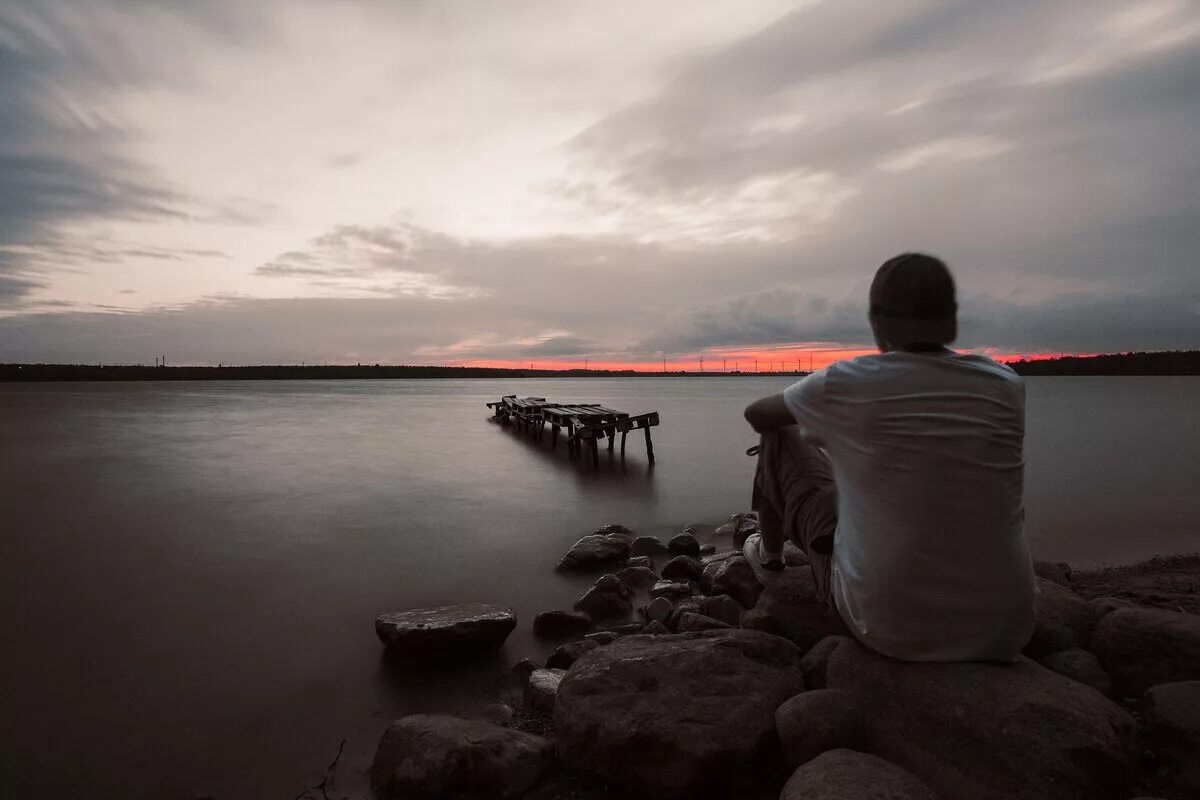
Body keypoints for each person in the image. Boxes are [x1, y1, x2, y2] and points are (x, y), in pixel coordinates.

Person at [741, 253, 1037, 662]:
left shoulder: (849, 382)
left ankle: (768, 557)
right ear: (951, 319)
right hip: (1006, 628)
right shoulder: (1005, 383)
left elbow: (756, 415)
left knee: (779, 434)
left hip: (888, 626)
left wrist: (823, 424)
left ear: (877, 321)